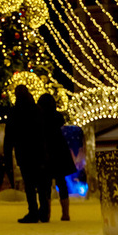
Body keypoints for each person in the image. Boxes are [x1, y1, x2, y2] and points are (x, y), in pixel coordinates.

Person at [3, 84, 46, 223]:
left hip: (24, 152)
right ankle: (44, 211)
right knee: (40, 182)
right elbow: (43, 132)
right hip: (38, 151)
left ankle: (33, 211)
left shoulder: (15, 112)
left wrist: (8, 154)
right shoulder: (37, 110)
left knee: (29, 184)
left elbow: (9, 136)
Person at [37, 93, 77, 222]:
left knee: (46, 184)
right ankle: (65, 213)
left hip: (46, 152)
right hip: (60, 152)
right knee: (62, 183)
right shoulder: (57, 117)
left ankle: (46, 213)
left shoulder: (40, 118)